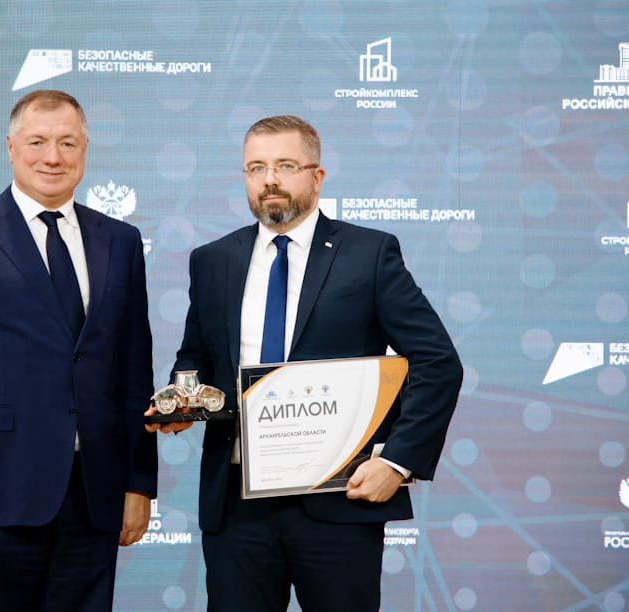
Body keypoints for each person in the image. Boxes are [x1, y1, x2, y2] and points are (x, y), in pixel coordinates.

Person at [146, 115, 463, 611]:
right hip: (236, 506)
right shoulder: (212, 260)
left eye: (285, 166)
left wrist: (396, 462)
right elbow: (196, 357)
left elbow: (437, 362)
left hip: (339, 500)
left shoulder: (369, 253)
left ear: (317, 176)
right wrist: (183, 401)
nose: (269, 179)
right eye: (256, 168)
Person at [0, 89, 157, 611]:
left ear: (85, 149)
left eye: (67, 143)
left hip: (94, 496)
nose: (52, 157)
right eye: (37, 142)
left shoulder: (121, 240)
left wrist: (138, 483)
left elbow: (133, 371)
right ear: (11, 147)